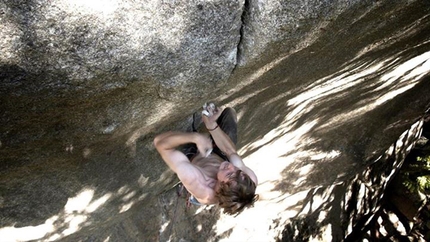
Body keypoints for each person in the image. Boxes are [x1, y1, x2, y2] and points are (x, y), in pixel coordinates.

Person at [154, 103, 258, 215]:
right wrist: (211, 125)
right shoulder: (248, 180)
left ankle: (191, 197)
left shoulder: (197, 182)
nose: (231, 166)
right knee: (229, 114)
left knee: (185, 124)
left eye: (229, 175)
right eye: (237, 170)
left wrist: (195, 138)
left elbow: (160, 144)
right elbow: (230, 151)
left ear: (220, 187)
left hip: (193, 157)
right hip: (218, 154)